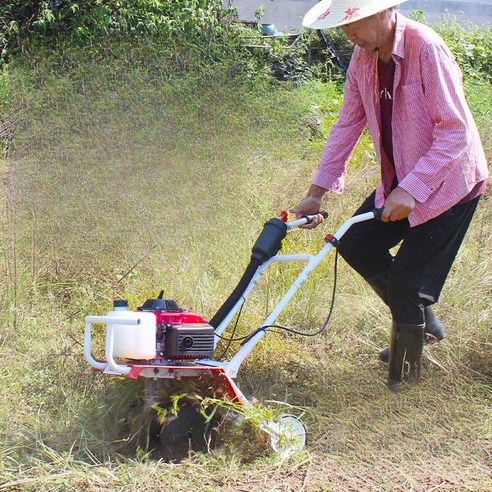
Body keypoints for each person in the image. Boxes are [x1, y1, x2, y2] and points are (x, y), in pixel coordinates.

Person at [291, 0, 488, 389]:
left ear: (383, 13)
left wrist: (412, 190)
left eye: (354, 23)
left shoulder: (425, 48)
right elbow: (347, 124)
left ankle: (405, 378)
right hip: (399, 180)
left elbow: (455, 131)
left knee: (406, 283)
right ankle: (420, 321)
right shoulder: (363, 57)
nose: (348, 34)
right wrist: (317, 193)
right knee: (354, 242)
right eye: (342, 27)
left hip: (449, 185)